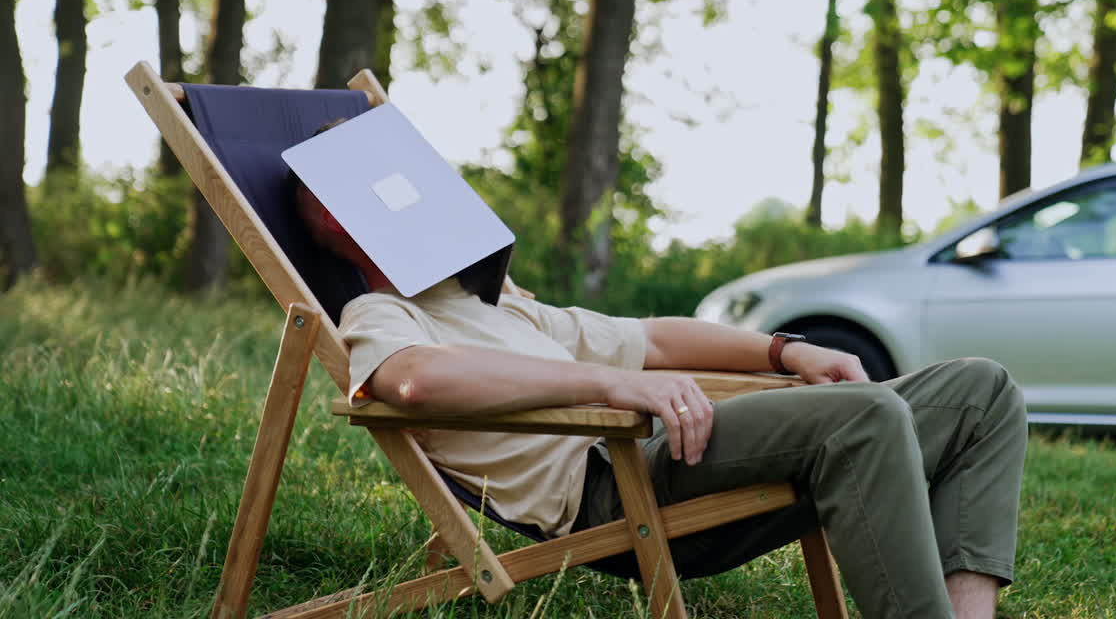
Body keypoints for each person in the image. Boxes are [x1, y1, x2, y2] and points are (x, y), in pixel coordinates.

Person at [289, 168, 1028, 619]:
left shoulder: (497, 304)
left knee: (981, 390)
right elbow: (415, 381)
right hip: (614, 487)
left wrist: (788, 349)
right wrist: (611, 383)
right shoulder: (381, 313)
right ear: (339, 223)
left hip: (666, 454)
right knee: (866, 417)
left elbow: (658, 339)